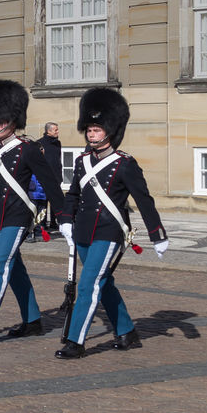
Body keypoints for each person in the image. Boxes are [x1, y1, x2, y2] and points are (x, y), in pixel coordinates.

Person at [56, 89, 169, 359]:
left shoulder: (125, 164)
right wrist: (65, 220)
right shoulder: (82, 162)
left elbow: (144, 200)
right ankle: (127, 331)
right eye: (89, 129)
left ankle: (75, 341)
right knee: (102, 283)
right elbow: (73, 194)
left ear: (109, 131)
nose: (91, 134)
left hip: (109, 232)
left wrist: (157, 234)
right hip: (83, 230)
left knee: (87, 285)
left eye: (96, 129)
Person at [0, 80, 67, 347]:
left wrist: (64, 217)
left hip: (17, 216)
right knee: (15, 269)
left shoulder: (28, 149)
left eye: (1, 119)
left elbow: (51, 183)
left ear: (13, 119)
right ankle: (33, 320)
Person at [40, 121, 63, 231]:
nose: (58, 132)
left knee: (56, 201)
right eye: (55, 130)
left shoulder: (57, 143)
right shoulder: (39, 143)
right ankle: (42, 224)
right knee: (43, 202)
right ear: (48, 131)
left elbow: (57, 159)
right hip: (45, 178)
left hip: (56, 177)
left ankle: (54, 222)